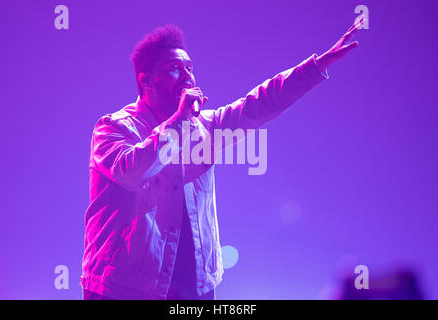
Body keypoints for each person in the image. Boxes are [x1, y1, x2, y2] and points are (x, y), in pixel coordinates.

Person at [81, 17, 365, 300]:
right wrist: (179, 122)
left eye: (189, 68)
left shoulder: (205, 126)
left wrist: (316, 67)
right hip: (123, 288)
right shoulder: (113, 128)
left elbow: (260, 103)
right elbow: (132, 172)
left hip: (194, 286)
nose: (187, 76)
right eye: (174, 69)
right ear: (146, 81)